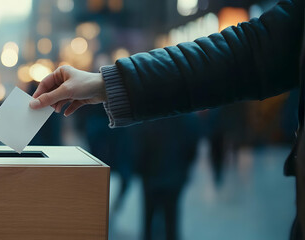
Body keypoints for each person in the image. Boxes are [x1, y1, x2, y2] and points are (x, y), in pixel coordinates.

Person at [29, 0, 304, 238]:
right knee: (165, 223)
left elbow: (247, 53)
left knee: (157, 222)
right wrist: (106, 82)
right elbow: (249, 52)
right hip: (166, 175)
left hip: (161, 175)